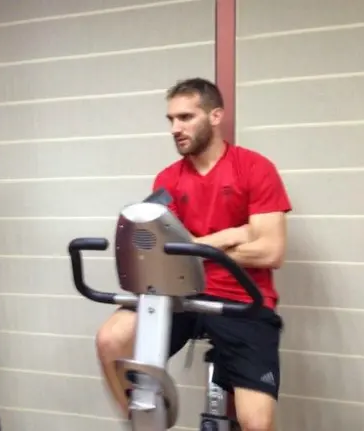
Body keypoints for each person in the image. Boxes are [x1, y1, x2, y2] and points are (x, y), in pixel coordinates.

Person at [95, 78, 290, 431]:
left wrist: (196, 245)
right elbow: (163, 252)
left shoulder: (254, 168)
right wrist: (233, 234)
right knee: (110, 339)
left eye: (185, 117)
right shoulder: (167, 180)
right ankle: (139, 421)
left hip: (241, 298)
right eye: (171, 120)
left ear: (215, 116)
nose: (175, 128)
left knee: (256, 423)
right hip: (180, 294)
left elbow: (270, 251)